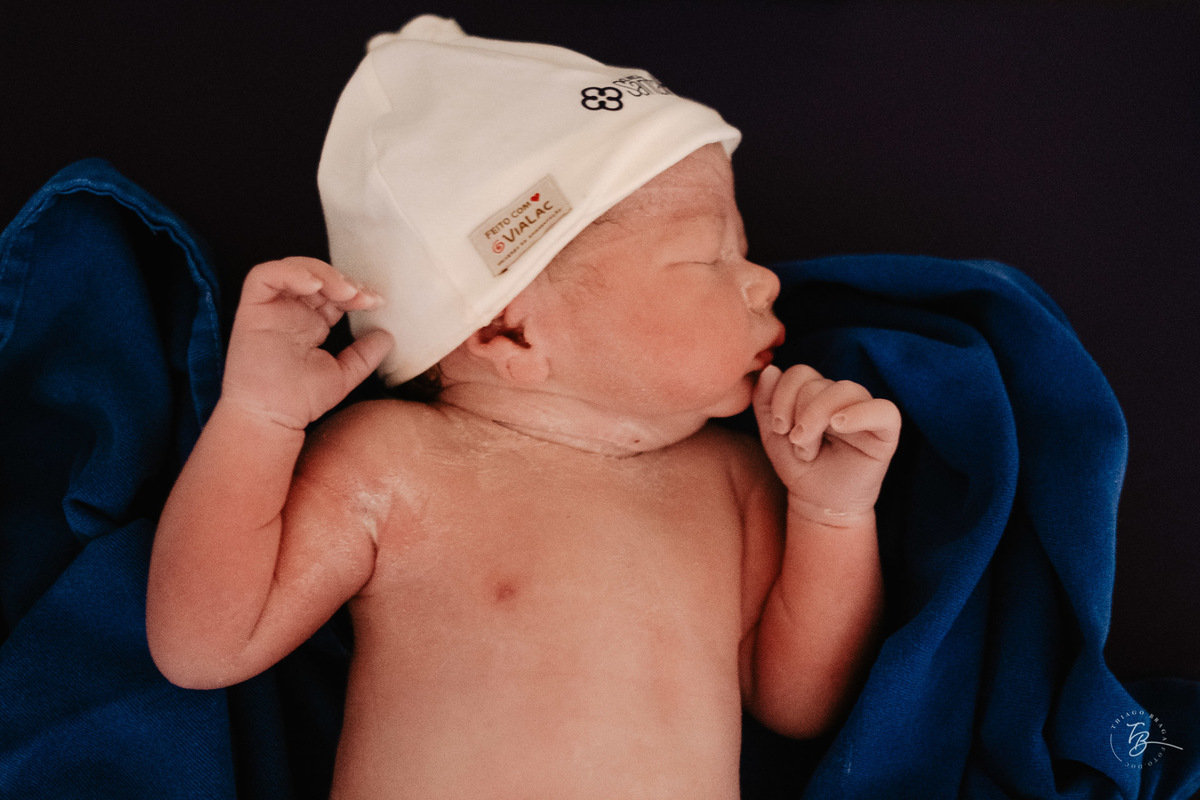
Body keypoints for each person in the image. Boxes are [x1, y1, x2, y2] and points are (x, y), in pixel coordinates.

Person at [146, 15, 901, 798]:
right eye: (709, 255)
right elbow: (204, 647)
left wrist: (832, 515)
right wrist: (259, 416)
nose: (764, 280)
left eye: (741, 249)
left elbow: (799, 705)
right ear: (511, 332)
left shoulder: (733, 479)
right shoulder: (395, 461)